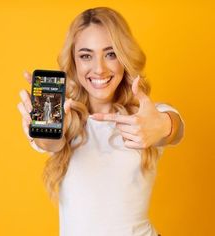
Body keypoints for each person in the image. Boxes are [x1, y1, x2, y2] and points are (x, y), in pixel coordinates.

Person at [17, 7, 184, 236]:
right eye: (86, 55)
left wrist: (164, 125)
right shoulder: (63, 118)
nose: (99, 69)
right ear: (74, 62)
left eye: (111, 53)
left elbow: (174, 127)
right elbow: (48, 143)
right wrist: (46, 130)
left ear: (124, 57)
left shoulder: (144, 117)